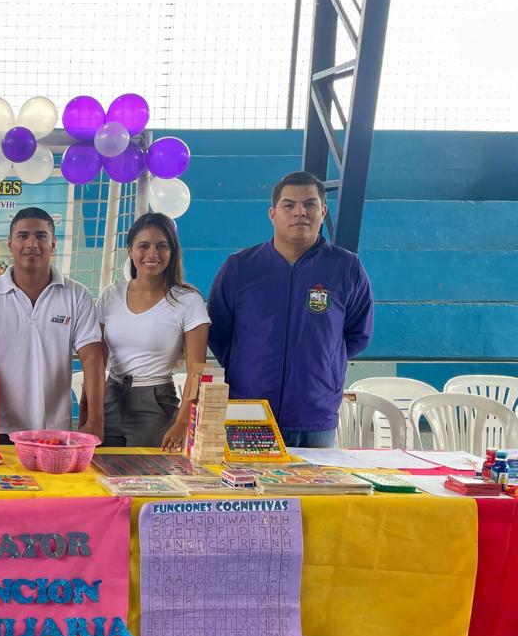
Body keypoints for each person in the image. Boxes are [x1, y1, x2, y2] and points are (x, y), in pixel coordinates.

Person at [208, 171, 374, 448]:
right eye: (289, 205)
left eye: (309, 204)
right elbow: (218, 331)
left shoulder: (346, 268)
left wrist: (323, 365)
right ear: (272, 214)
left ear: (323, 211)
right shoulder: (240, 267)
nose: (300, 212)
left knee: (316, 479)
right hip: (249, 411)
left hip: (315, 414)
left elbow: (358, 334)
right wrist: (248, 365)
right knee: (246, 479)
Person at [0, 208, 104, 439]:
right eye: (23, 236)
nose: (32, 244)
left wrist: (95, 421)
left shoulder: (77, 295)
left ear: (53, 244)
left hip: (55, 431)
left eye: (41, 236)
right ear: (10, 243)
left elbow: (93, 358)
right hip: (1, 430)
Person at [97, 212, 210, 449]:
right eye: (144, 246)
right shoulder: (110, 295)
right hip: (110, 396)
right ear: (130, 250)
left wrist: (182, 422)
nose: (152, 254)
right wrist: (91, 409)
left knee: (143, 473)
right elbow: (96, 360)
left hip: (155, 404)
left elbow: (197, 372)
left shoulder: (188, 301)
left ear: (172, 252)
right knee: (101, 469)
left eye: (161, 246)